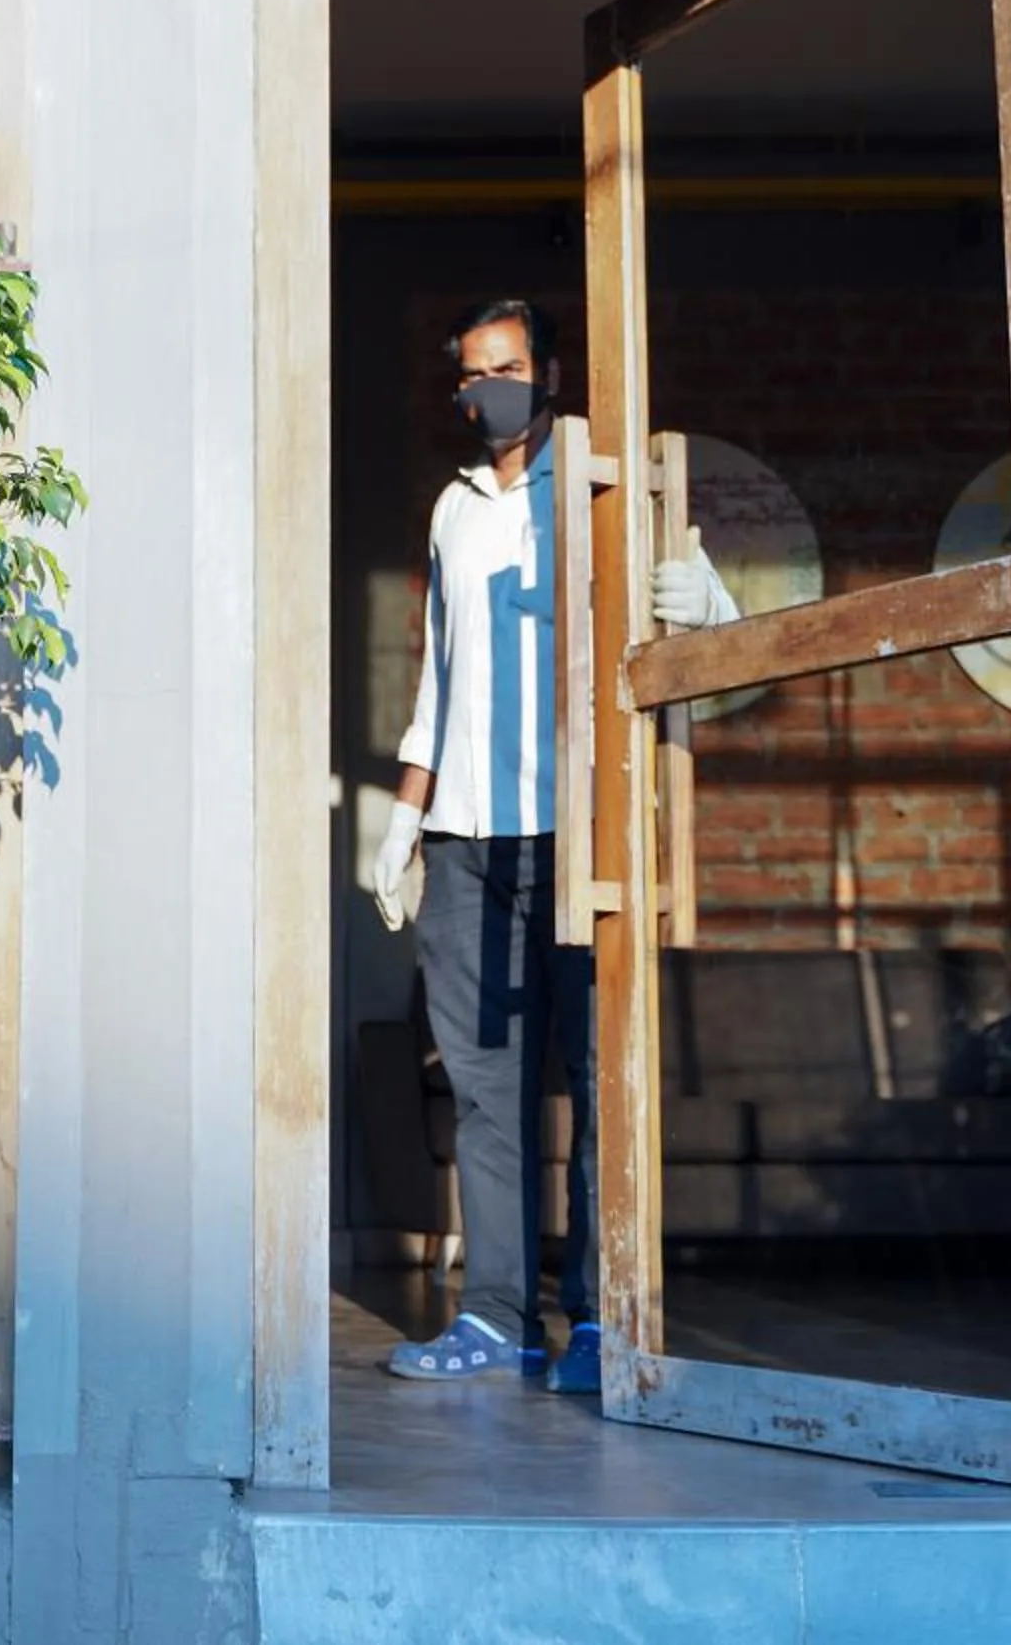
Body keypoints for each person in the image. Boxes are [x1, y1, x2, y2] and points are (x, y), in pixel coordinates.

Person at [372, 298, 736, 1393]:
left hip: (576, 839)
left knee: (595, 1078)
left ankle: (596, 1324)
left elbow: (680, 663)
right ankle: (495, 1318)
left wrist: (707, 617)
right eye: (475, 374)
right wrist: (404, 818)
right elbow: (439, 676)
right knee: (488, 1091)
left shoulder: (597, 493)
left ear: (552, 372)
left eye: (512, 368)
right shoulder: (452, 510)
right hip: (467, 842)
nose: (494, 390)